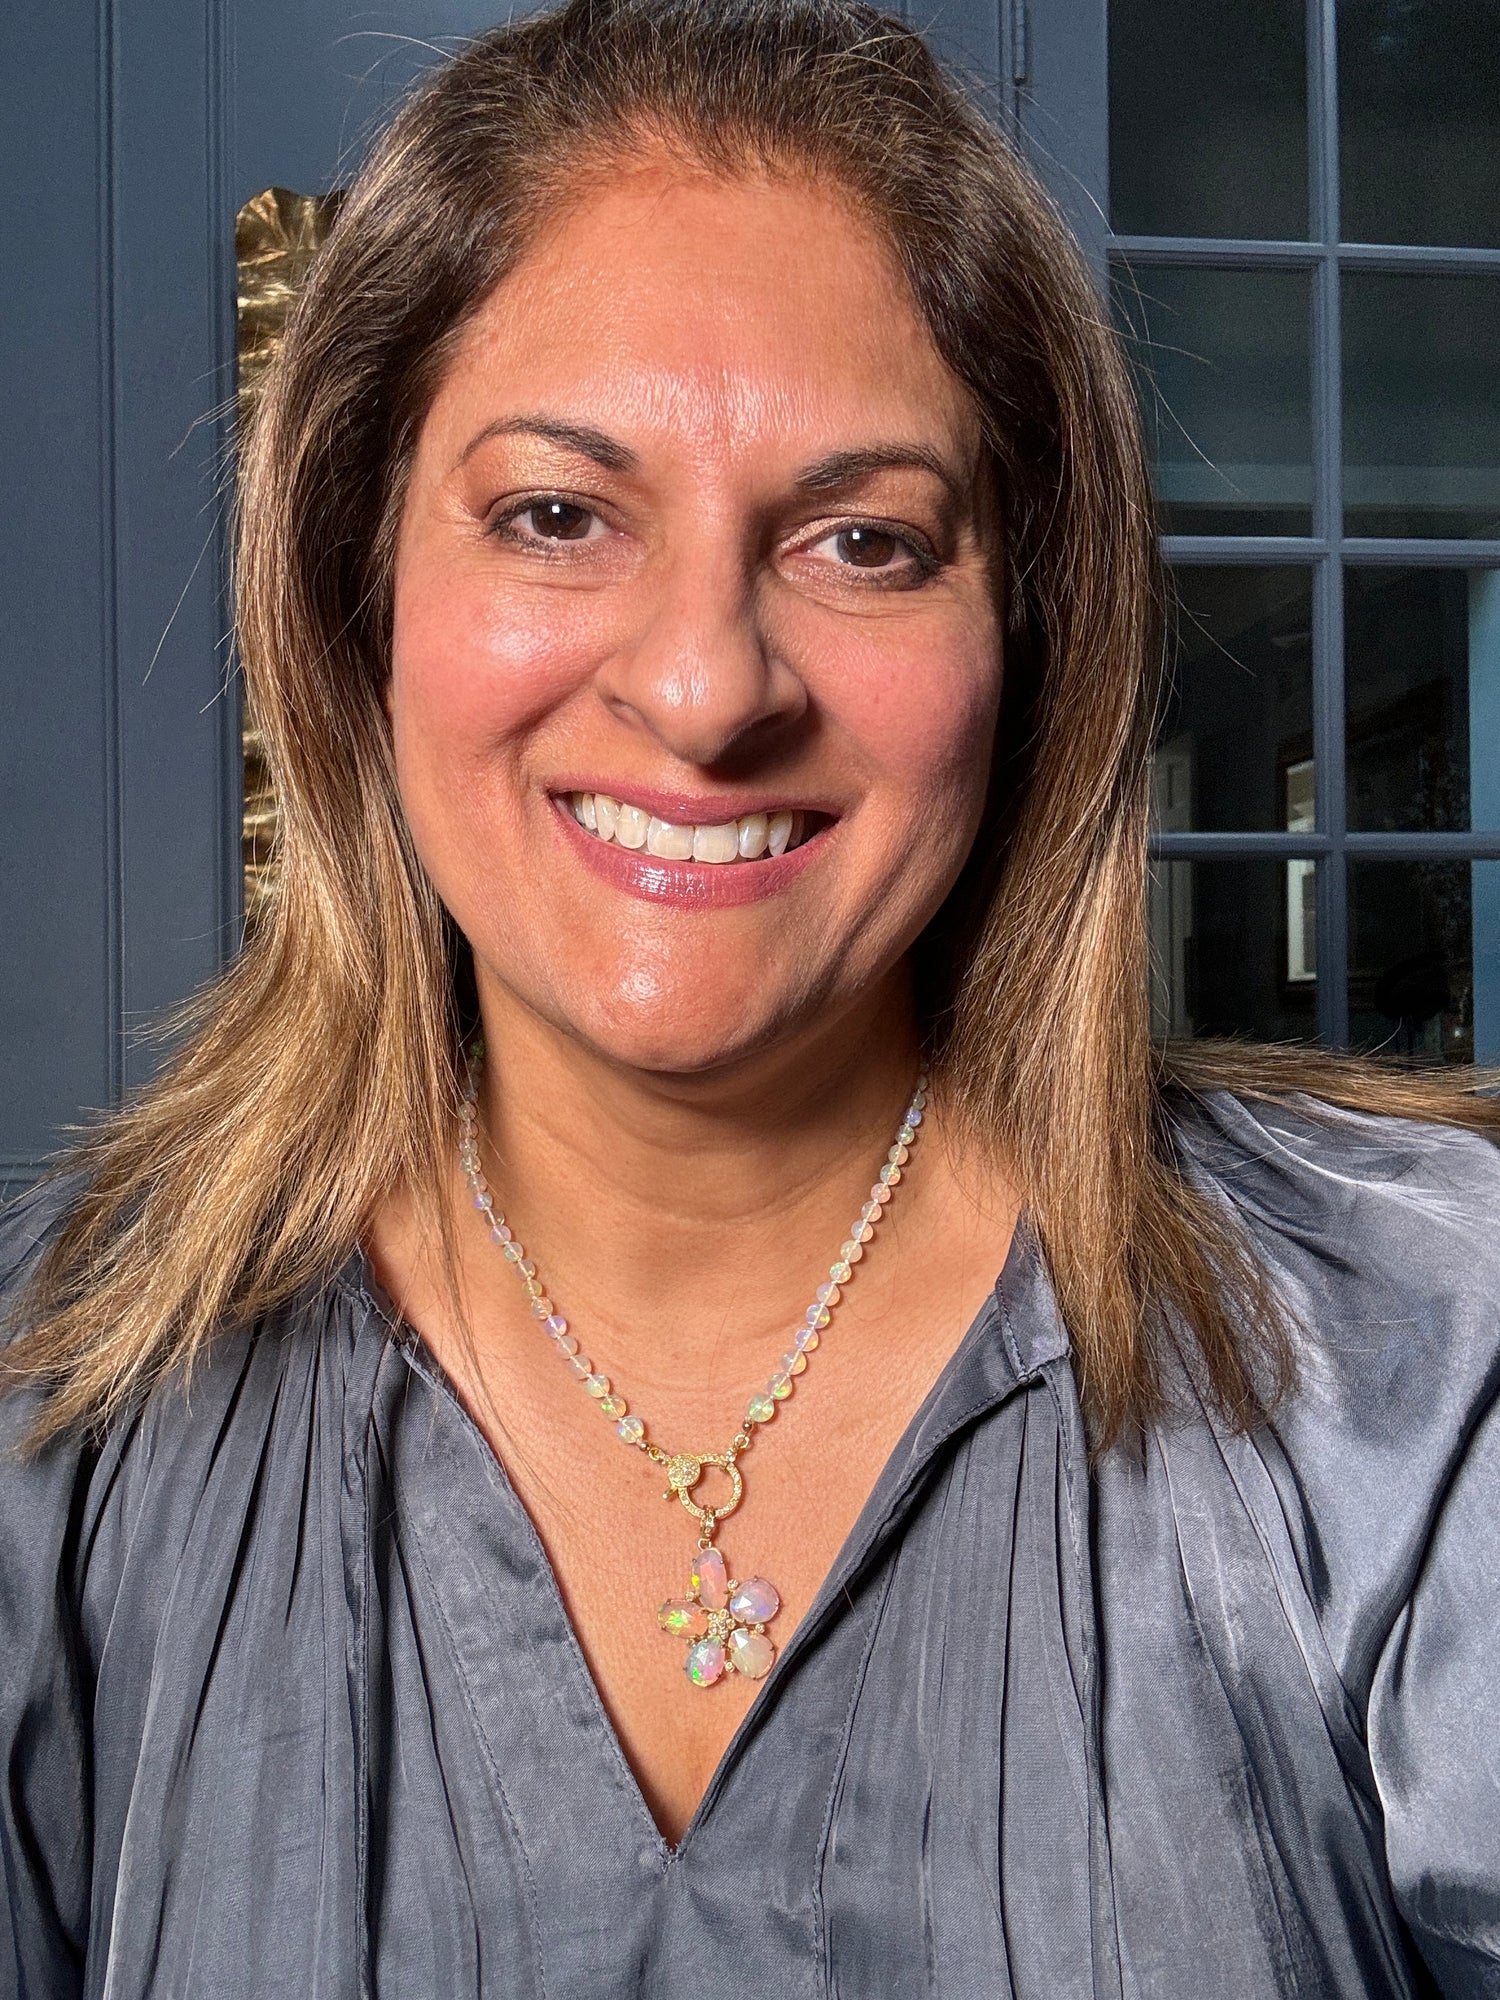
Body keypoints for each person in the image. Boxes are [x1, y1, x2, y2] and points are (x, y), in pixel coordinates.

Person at [3, 2, 1497, 1993]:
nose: (708, 688)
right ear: (356, 595)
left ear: (1029, 645)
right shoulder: (60, 1405)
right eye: (556, 514)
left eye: (865, 541)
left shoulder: (1424, 1363)